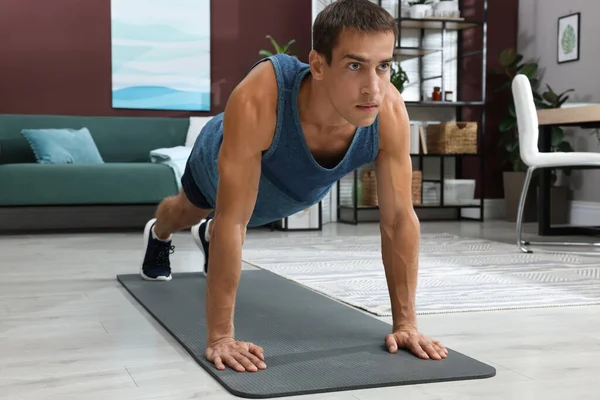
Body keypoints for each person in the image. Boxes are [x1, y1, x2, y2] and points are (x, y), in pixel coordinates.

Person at [140, 0, 448, 373]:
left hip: (296, 190)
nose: (373, 88)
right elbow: (233, 221)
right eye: (355, 65)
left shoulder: (389, 112)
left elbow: (399, 219)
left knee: (223, 227)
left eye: (383, 66)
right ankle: (158, 235)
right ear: (318, 65)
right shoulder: (260, 97)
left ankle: (206, 235)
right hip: (218, 164)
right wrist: (221, 337)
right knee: (188, 211)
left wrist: (406, 325)